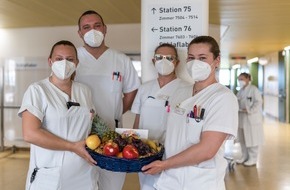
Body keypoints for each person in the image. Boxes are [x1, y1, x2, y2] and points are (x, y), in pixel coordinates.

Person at [142, 36, 239, 190]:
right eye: (191, 57)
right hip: (170, 179)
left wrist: (165, 164)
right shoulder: (181, 93)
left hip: (199, 182)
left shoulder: (223, 98)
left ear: (217, 61)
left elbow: (207, 150)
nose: (195, 63)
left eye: (202, 58)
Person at [18, 40, 97, 190]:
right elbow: (30, 134)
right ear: (50, 61)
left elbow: (90, 125)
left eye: (70, 59)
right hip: (50, 175)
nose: (65, 63)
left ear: (77, 63)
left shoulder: (84, 91)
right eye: (59, 59)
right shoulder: (37, 90)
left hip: (83, 173)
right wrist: (72, 147)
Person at [75, 10, 140, 190]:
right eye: (86, 27)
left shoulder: (120, 59)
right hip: (80, 135)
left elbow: (132, 90)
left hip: (112, 135)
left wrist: (117, 111)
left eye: (97, 26)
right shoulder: (74, 59)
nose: (92, 31)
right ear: (79, 33)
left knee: (112, 184)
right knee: (82, 184)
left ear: (105, 29)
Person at [131, 43, 193, 190]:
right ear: (153, 61)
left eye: (169, 58)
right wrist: (134, 145)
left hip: (173, 153)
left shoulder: (187, 89)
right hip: (146, 151)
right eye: (159, 58)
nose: (163, 61)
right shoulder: (144, 88)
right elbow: (137, 120)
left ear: (177, 62)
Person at [236, 72, 264, 166]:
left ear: (248, 79)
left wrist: (249, 110)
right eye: (239, 79)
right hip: (242, 117)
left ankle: (253, 158)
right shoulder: (240, 90)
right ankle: (244, 156)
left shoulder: (254, 90)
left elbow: (259, 102)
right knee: (243, 138)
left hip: (251, 118)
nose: (240, 81)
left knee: (252, 138)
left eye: (242, 79)